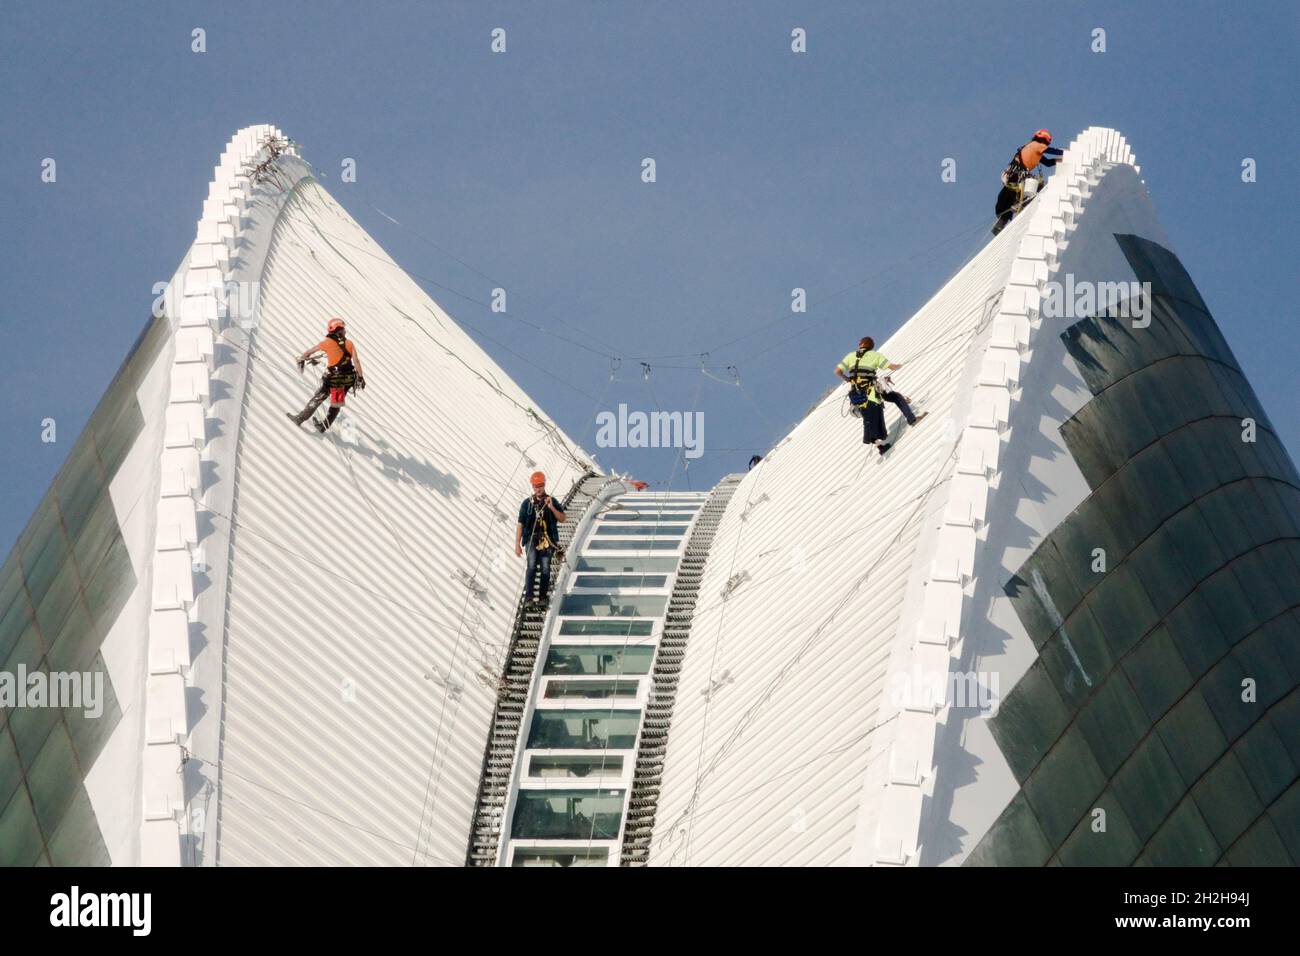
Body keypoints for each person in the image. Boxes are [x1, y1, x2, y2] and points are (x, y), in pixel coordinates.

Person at [835, 336, 923, 456]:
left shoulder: (850, 356)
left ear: (860, 344)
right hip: (871, 390)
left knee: (868, 418)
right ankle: (912, 419)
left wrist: (848, 380)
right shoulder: (874, 355)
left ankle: (880, 447)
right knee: (895, 397)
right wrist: (899, 366)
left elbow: (837, 371)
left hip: (857, 394)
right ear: (871, 346)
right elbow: (892, 367)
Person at [287, 318, 366, 432]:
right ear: (340, 330)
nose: (345, 331)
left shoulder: (327, 343)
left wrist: (303, 358)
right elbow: (356, 361)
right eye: (343, 329)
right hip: (347, 378)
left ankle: (300, 419)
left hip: (333, 377)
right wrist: (361, 377)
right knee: (336, 404)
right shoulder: (349, 343)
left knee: (319, 398)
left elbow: (310, 352)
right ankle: (323, 427)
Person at [992, 129, 1064, 235]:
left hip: (1012, 176)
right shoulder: (1036, 145)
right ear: (1045, 140)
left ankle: (1002, 222)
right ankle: (1026, 209)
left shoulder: (1031, 147)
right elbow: (1054, 151)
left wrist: (1061, 160)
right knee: (1035, 189)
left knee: (1009, 198)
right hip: (1017, 175)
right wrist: (1069, 152)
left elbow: (1048, 162)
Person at [516, 471, 566, 606]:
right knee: (531, 565)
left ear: (544, 485)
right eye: (535, 486)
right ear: (532, 486)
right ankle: (529, 598)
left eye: (540, 485)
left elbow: (562, 518)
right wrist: (517, 544)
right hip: (531, 538)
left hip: (547, 539)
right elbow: (520, 523)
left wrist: (551, 508)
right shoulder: (527, 503)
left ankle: (543, 597)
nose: (538, 488)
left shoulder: (551, 501)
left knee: (545, 568)